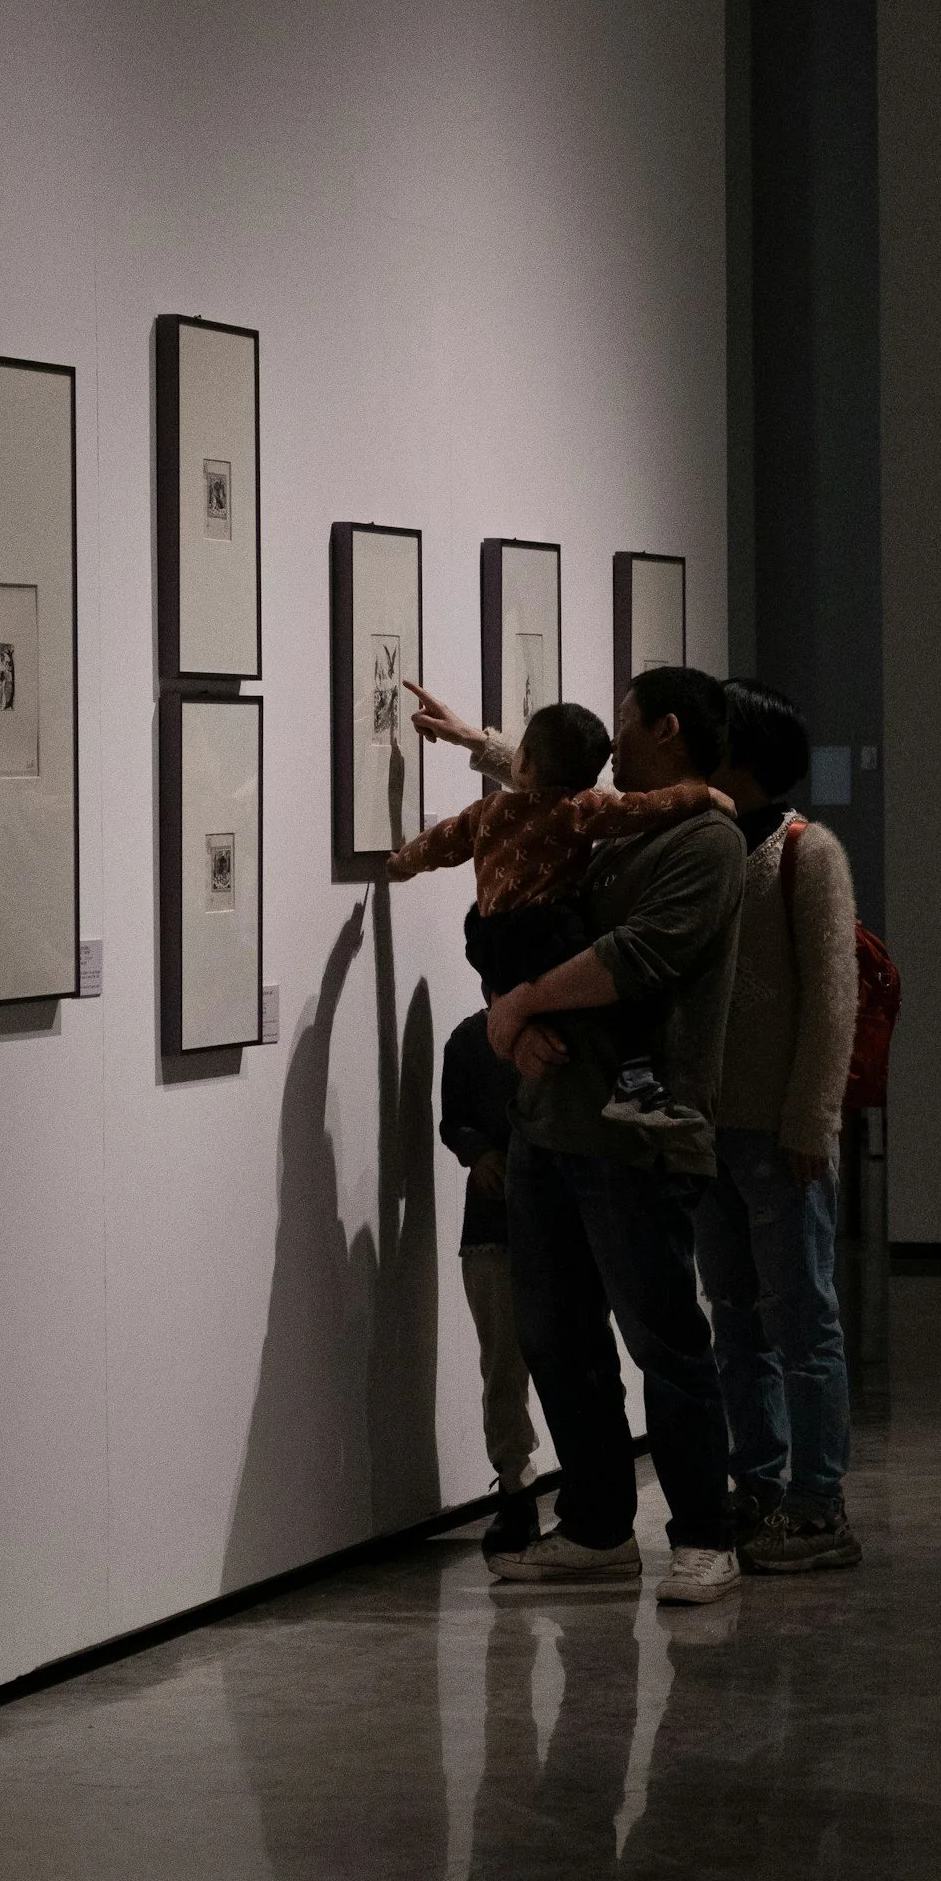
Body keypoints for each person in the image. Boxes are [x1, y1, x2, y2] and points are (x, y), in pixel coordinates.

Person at [410, 670, 747, 1607]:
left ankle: (702, 1536)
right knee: (559, 1342)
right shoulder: (602, 819)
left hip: (638, 1136)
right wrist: (478, 741)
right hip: (549, 1127)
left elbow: (639, 955)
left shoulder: (702, 840)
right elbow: (538, 802)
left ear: (666, 732)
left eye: (627, 721)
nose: (612, 738)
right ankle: (598, 1528)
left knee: (665, 1345)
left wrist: (515, 1006)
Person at [698, 677, 862, 1571]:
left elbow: (831, 1001)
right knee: (734, 1319)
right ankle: (756, 1483)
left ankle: (818, 1506)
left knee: (801, 1322)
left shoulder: (810, 852)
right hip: (713, 1127)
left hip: (779, 1131)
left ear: (742, 752)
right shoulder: (710, 838)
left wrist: (810, 1120)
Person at [387, 699, 722, 1114]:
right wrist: (703, 797)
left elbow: (438, 843)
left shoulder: (486, 812)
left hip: (488, 935)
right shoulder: (578, 810)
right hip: (546, 928)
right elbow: (644, 808)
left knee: (525, 996)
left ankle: (529, 1030)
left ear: (522, 759)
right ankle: (633, 1072)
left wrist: (401, 862)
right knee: (607, 996)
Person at [439, 1005, 540, 1558]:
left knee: (571, 1358)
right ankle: (516, 1487)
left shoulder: (558, 1032)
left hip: (553, 1220)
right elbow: (453, 1119)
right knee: (502, 1364)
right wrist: (478, 1155)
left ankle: (584, 1488)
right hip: (493, 1222)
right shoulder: (470, 1039)